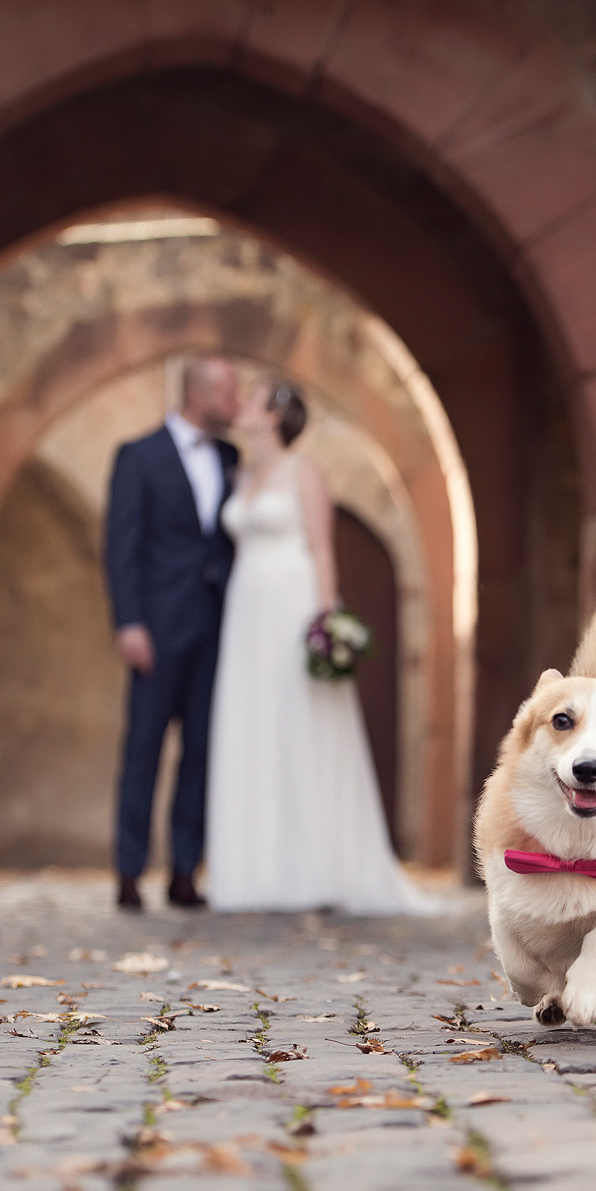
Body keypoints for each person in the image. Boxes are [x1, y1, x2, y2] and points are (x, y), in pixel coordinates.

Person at [206, 378, 433, 913]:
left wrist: (325, 621)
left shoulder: (303, 472)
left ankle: (316, 868)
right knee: (253, 726)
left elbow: (322, 549)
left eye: (253, 399)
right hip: (245, 610)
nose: (242, 405)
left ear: (273, 416)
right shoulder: (240, 473)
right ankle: (253, 872)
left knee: (299, 723)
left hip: (291, 601)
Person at [105, 357, 239, 909]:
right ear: (199, 393)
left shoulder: (231, 457)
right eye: (229, 393)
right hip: (156, 630)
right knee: (144, 747)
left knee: (202, 750)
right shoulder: (139, 456)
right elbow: (121, 544)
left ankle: (185, 871)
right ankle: (129, 872)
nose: (234, 405)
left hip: (218, 630)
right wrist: (129, 622)